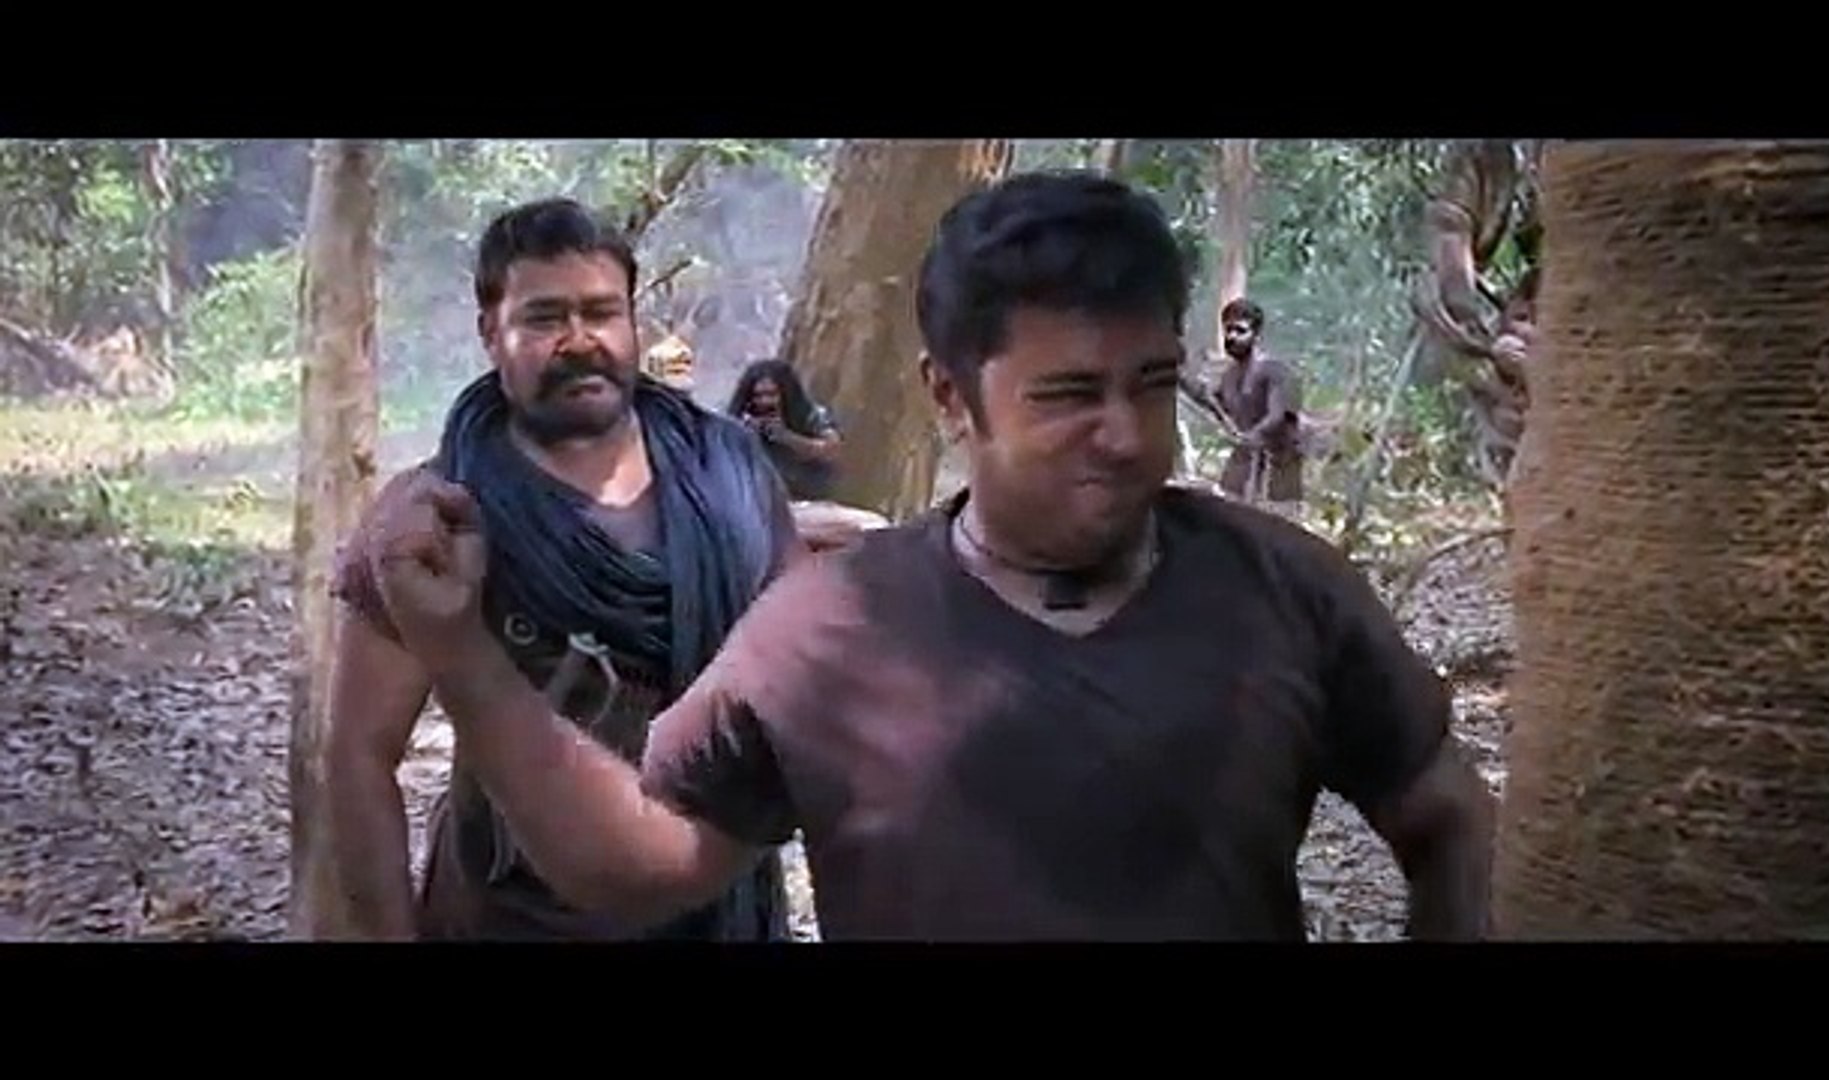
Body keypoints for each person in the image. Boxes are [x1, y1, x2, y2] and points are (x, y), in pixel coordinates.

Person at [361, 172, 1495, 941]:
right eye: (1068, 395)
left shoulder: (1287, 589)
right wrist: (463, 658)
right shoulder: (827, 633)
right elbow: (634, 867)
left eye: (1150, 385)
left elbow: (1444, 810)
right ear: (949, 397)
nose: (1125, 436)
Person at [318, 197, 798, 941]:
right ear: (491, 332)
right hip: (505, 917)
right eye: (544, 319)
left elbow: (800, 691)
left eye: (602, 312)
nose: (579, 340)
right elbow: (359, 753)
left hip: (715, 904)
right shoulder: (434, 522)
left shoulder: (733, 481)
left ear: (633, 323)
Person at [1197, 298, 1305, 515]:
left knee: (1274, 526)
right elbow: (1216, 406)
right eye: (1228, 330)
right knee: (1229, 515)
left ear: (1256, 336)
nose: (1232, 337)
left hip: (1278, 467)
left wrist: (1251, 437)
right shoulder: (1229, 377)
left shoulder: (1275, 371)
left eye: (1240, 331)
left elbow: (1277, 416)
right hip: (1244, 463)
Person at [725, 358, 843, 502]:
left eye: (772, 394)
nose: (765, 401)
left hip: (803, 495)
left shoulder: (811, 414)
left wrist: (787, 437)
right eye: (758, 396)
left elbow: (831, 449)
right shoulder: (736, 419)